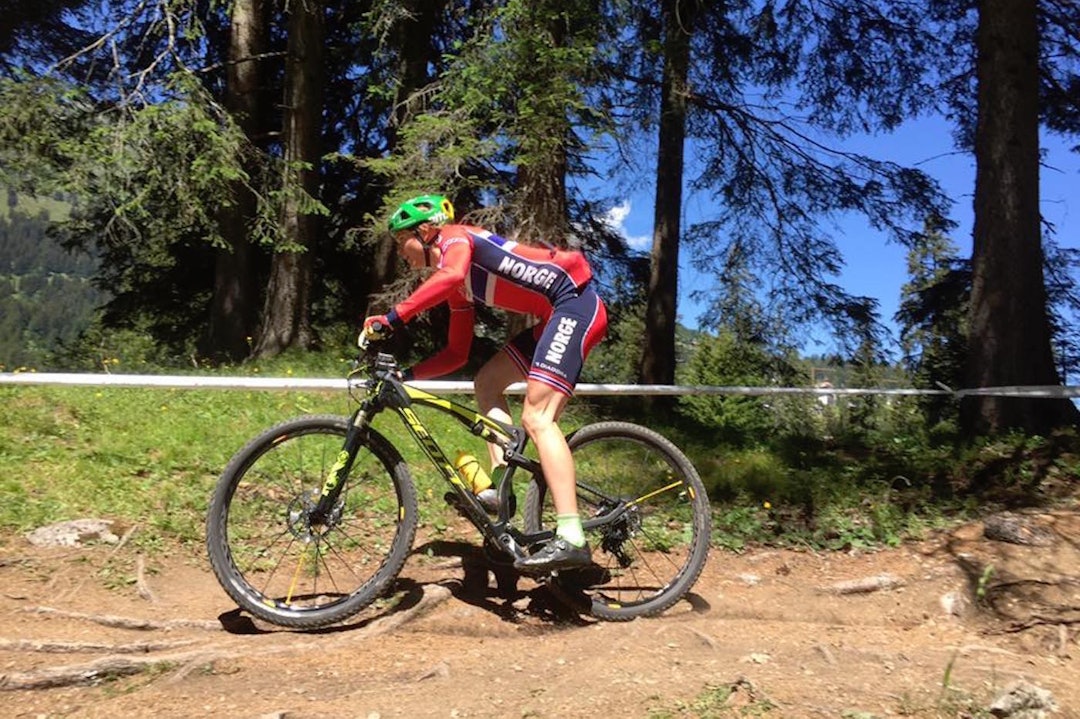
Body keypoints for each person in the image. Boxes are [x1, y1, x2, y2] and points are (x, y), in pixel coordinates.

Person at [362, 194, 608, 572]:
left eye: (401, 241)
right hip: (553, 317)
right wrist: (406, 375)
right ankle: (500, 490)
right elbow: (456, 354)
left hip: (574, 305)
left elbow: (453, 274)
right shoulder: (455, 284)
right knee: (486, 383)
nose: (400, 252)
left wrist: (392, 318)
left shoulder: (456, 239)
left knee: (539, 419)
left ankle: (573, 536)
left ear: (425, 231)